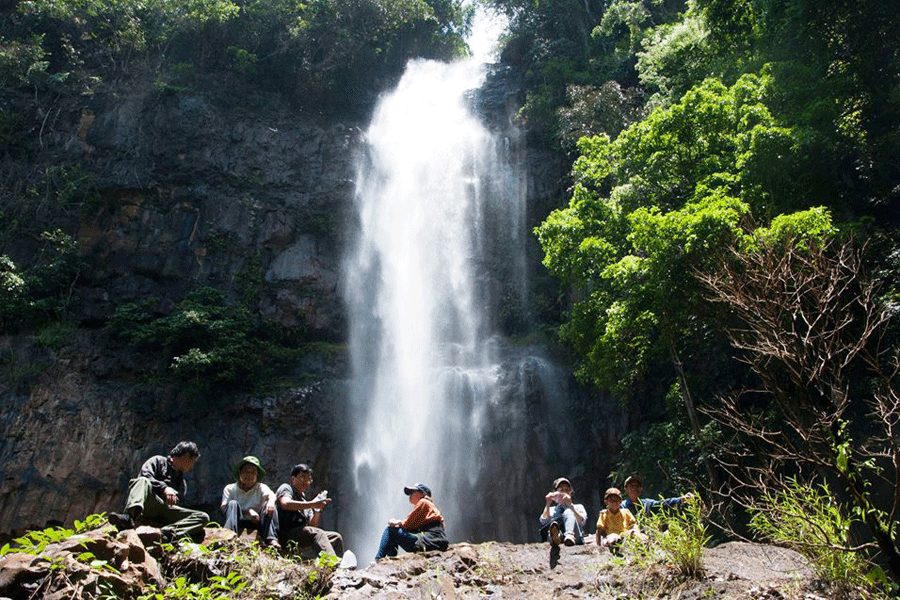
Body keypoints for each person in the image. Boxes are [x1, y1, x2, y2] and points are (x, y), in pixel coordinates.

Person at [108, 441, 209, 542]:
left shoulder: (182, 483)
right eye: (192, 460)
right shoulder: (158, 461)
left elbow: (180, 506)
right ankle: (129, 517)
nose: (192, 466)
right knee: (142, 481)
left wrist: (174, 502)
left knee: (203, 517)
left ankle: (166, 533)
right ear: (185, 456)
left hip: (167, 511)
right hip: (150, 503)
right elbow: (145, 475)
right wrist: (164, 488)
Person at [276, 463, 345, 558]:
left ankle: (338, 567)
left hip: (301, 535)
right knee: (318, 533)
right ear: (293, 479)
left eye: (309, 478)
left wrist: (318, 509)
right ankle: (330, 562)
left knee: (336, 537)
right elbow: (285, 504)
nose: (306, 481)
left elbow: (312, 525)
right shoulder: (287, 488)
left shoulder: (304, 501)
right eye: (303, 477)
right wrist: (313, 504)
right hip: (285, 534)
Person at [374, 484, 449, 561]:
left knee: (390, 530)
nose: (410, 495)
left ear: (422, 494)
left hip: (427, 541)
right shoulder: (429, 507)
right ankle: (391, 558)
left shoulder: (423, 502)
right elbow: (412, 526)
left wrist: (397, 522)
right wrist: (399, 523)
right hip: (436, 542)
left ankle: (379, 558)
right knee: (395, 532)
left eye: (413, 492)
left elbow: (408, 525)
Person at [221, 456, 281, 548]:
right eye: (245, 471)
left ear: (257, 476)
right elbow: (224, 507)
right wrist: (248, 511)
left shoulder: (261, 487)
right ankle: (228, 536)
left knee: (269, 505)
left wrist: (270, 503)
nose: (249, 475)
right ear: (239, 473)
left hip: (257, 523)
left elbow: (272, 495)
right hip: (237, 522)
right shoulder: (230, 488)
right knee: (233, 503)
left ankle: (271, 539)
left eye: (253, 472)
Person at [539, 477, 588, 547]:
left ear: (570, 493)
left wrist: (570, 506)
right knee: (554, 525)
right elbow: (543, 521)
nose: (564, 493)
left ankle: (569, 535)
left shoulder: (578, 507)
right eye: (561, 490)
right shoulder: (552, 509)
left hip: (576, 536)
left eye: (566, 490)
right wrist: (548, 503)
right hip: (560, 535)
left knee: (568, 512)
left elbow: (582, 522)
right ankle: (556, 538)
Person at [622, 475, 694, 518]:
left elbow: (663, 503)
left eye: (637, 486)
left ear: (641, 489)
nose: (634, 488)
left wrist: (681, 499)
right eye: (631, 486)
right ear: (626, 489)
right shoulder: (622, 506)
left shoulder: (647, 504)